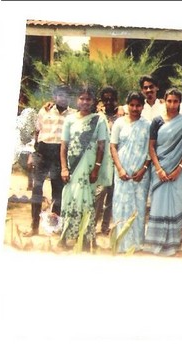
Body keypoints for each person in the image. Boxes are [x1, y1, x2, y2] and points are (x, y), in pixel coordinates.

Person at [58, 86, 109, 250]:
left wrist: (96, 168)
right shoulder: (69, 119)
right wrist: (64, 168)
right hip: (72, 168)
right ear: (77, 100)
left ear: (93, 101)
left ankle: (86, 239)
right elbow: (64, 146)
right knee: (71, 199)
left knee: (87, 201)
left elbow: (101, 146)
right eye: (82, 98)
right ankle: (67, 237)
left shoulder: (98, 120)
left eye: (88, 99)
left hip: (89, 169)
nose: (85, 102)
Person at [144, 88, 182, 256]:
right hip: (160, 170)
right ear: (164, 101)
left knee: (177, 203)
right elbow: (151, 147)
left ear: (180, 102)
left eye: (175, 101)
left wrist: (179, 168)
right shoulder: (157, 121)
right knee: (158, 204)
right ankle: (156, 242)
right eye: (169, 101)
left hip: (179, 172)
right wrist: (159, 169)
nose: (172, 105)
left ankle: (174, 243)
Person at [24, 85, 75, 237]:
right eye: (60, 95)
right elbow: (37, 132)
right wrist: (32, 153)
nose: (63, 98)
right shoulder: (44, 111)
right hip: (43, 152)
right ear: (54, 96)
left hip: (59, 153)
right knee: (37, 189)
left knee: (57, 192)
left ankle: (53, 228)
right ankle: (34, 226)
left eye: (66, 95)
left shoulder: (73, 115)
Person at [109, 91, 152, 253]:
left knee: (139, 209)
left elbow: (150, 149)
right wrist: (120, 169)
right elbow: (113, 146)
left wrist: (143, 169)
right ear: (127, 105)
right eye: (132, 105)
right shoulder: (119, 123)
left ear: (142, 106)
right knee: (121, 207)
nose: (134, 108)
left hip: (141, 175)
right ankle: (121, 243)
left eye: (138, 105)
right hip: (122, 173)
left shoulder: (147, 125)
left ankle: (136, 244)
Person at [93, 86, 121, 236]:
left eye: (111, 99)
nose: (109, 102)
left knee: (112, 195)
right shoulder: (98, 116)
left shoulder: (121, 116)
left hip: (117, 161)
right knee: (100, 193)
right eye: (106, 99)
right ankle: (92, 224)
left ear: (116, 100)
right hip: (102, 161)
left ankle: (105, 226)